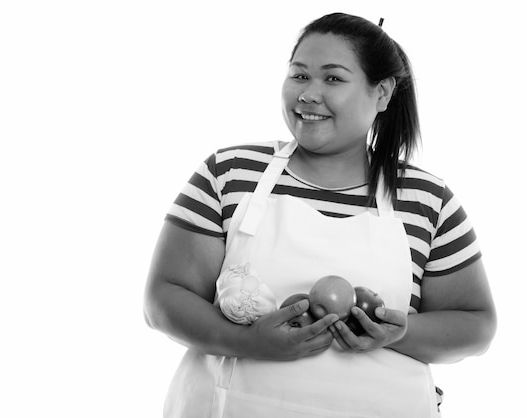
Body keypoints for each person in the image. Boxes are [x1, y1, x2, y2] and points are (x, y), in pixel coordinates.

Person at [143, 12, 497, 418]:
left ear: (381, 93)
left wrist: (398, 331)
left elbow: (476, 325)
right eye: (299, 75)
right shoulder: (229, 173)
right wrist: (246, 341)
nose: (308, 94)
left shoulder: (427, 199)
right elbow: (163, 298)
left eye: (332, 79)